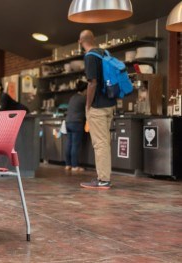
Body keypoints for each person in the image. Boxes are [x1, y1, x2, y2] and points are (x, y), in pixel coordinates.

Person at [78, 30, 116, 190]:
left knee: (100, 144)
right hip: (110, 104)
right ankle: (104, 177)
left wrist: (88, 104)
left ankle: (103, 180)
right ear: (94, 39)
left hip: (98, 107)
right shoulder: (104, 52)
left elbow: (92, 83)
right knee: (105, 143)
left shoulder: (90, 56)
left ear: (80, 42)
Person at [64, 82, 87, 172]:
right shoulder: (83, 98)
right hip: (77, 123)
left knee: (69, 144)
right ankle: (75, 166)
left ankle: (68, 165)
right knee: (75, 145)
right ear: (84, 90)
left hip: (68, 122)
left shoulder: (72, 97)